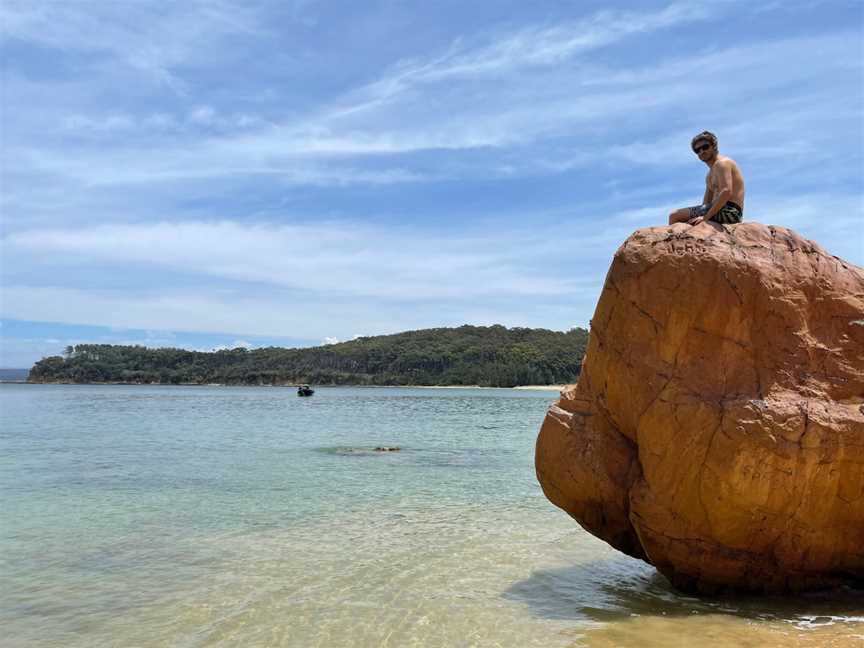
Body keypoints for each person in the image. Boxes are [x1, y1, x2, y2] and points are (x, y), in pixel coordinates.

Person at [668, 131, 746, 226]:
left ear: (714, 146)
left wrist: (705, 218)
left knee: (674, 215)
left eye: (705, 147)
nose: (701, 151)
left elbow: (726, 192)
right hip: (716, 210)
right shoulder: (709, 175)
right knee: (687, 222)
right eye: (697, 150)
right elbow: (705, 204)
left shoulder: (722, 163)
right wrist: (700, 218)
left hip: (730, 211)